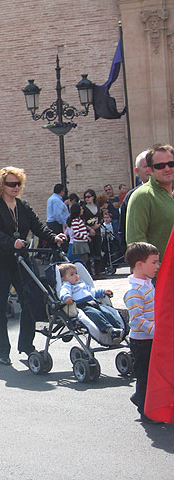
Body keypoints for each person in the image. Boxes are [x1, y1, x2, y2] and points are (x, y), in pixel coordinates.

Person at [0, 167, 65, 365]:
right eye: (12, 184)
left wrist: (54, 237)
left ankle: (26, 345)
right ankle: (3, 351)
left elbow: (38, 226)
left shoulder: (23, 206)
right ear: (2, 186)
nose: (16, 187)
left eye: (19, 183)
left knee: (30, 300)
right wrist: (12, 243)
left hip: (21, 260)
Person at [123, 242, 162, 424]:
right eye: (154, 262)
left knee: (154, 373)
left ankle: (140, 397)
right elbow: (137, 318)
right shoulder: (134, 291)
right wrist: (155, 330)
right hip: (142, 341)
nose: (157, 266)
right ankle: (145, 411)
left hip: (152, 338)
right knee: (144, 375)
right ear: (140, 264)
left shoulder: (148, 285)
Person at [126, 144, 174, 263]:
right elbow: (136, 243)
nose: (167, 168)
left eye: (171, 164)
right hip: (161, 278)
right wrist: (158, 273)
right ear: (150, 170)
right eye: (160, 166)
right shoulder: (142, 196)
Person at [145, 233, 174, 424]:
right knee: (142, 373)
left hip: (150, 330)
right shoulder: (135, 287)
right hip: (142, 336)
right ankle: (142, 403)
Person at [58, 263, 124, 343]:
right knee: (96, 315)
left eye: (76, 273)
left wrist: (103, 291)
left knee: (107, 312)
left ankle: (119, 328)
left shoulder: (82, 284)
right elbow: (64, 292)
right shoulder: (67, 285)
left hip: (94, 302)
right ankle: (110, 330)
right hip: (82, 305)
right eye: (72, 275)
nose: (76, 276)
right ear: (63, 279)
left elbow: (92, 291)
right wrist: (66, 298)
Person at [120, 150, 150, 248]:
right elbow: (124, 228)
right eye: (145, 166)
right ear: (137, 171)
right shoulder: (131, 196)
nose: (149, 169)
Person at [82, 189, 104, 278]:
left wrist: (98, 225)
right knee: (90, 253)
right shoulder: (84, 208)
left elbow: (100, 218)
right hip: (88, 233)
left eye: (88, 197)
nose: (87, 199)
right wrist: (90, 229)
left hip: (97, 231)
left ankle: (98, 273)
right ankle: (90, 273)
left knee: (97, 252)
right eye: (85, 197)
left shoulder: (97, 207)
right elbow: (83, 221)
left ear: (93, 197)